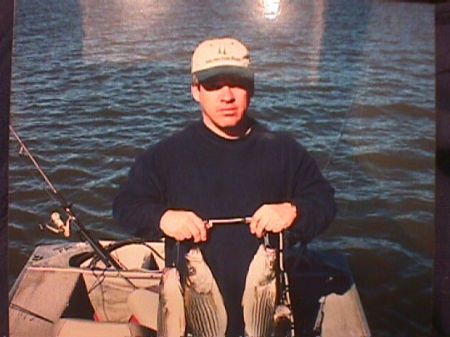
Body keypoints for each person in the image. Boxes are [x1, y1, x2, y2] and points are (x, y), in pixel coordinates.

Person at [113, 37, 336, 336]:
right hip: (194, 310)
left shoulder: (284, 151)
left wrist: (293, 211)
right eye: (214, 84)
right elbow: (125, 206)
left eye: (237, 83)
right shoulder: (166, 155)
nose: (227, 96)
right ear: (196, 91)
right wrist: (163, 218)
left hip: (265, 311)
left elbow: (324, 202)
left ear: (252, 89)